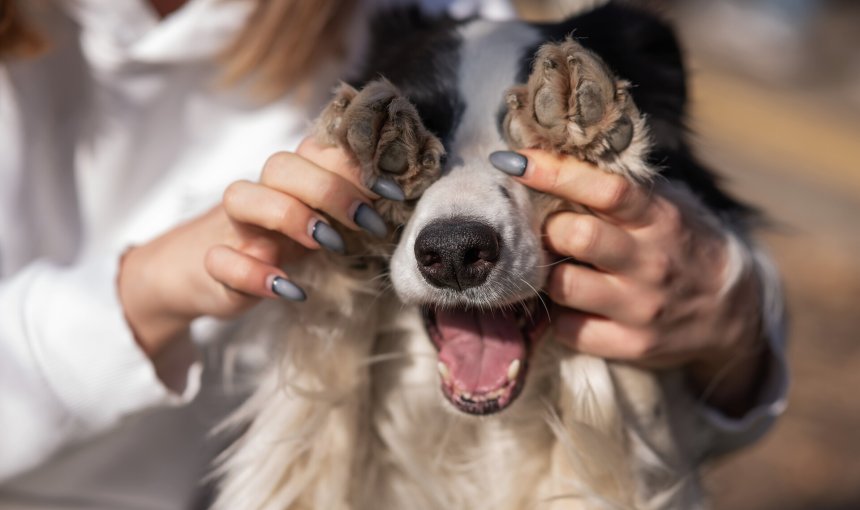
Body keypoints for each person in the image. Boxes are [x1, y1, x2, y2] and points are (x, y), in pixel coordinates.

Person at [0, 0, 787, 507]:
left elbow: (725, 354)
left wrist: (735, 317)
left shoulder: (446, 16)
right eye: (425, 145)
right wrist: (149, 288)